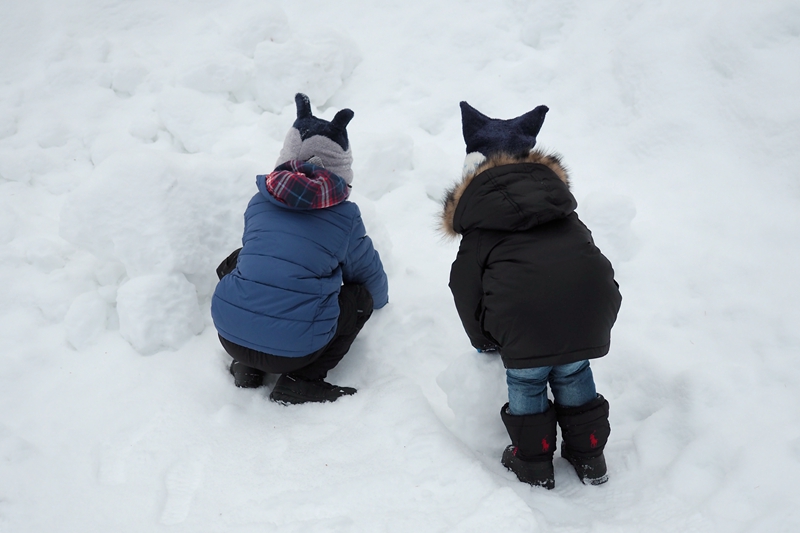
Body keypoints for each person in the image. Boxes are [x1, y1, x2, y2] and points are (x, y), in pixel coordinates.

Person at [441, 101, 622, 488]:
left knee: (527, 381)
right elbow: (592, 262)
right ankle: (590, 455)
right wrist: (604, 308)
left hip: (522, 322)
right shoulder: (561, 209)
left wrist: (484, 340)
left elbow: (464, 288)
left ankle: (534, 462)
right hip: (584, 315)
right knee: (573, 371)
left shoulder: (479, 226)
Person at [211, 93, 388, 405]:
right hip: (296, 351)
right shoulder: (344, 217)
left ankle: (248, 368)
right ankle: (302, 380)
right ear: (340, 169)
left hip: (231, 338)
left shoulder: (259, 202)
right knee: (359, 298)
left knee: (247, 260)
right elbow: (365, 270)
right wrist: (379, 301)